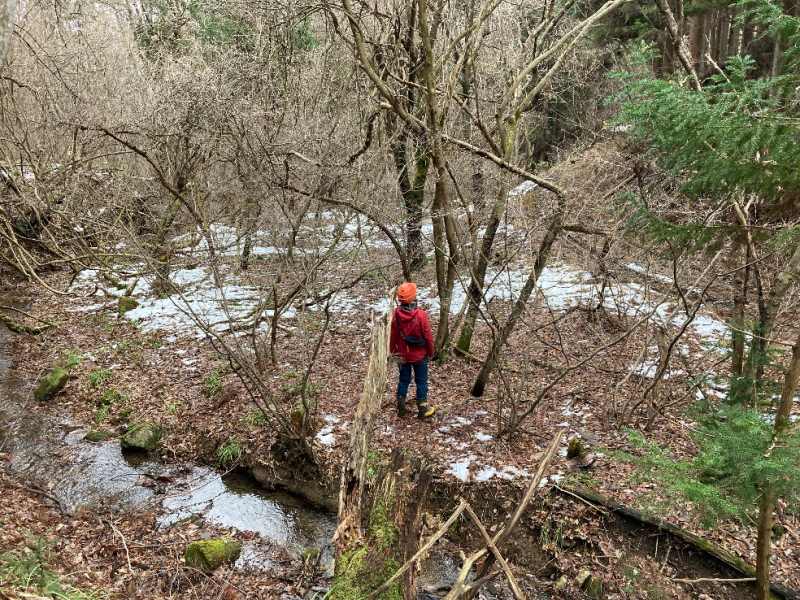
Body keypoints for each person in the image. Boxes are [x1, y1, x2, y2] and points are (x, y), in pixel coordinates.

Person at [389, 282, 437, 419]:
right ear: (413, 297)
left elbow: (393, 335)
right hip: (420, 356)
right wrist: (430, 352)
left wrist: (393, 351)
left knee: (403, 380)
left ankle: (401, 407)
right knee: (421, 381)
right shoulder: (421, 315)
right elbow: (428, 337)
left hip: (403, 356)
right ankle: (423, 409)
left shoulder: (396, 313)